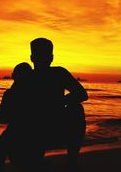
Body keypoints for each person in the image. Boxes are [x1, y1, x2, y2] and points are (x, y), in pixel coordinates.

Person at [28, 37, 88, 171]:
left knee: (76, 108)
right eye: (41, 55)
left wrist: (60, 102)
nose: (43, 59)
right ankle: (39, 159)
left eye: (44, 55)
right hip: (34, 129)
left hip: (53, 125)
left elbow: (82, 94)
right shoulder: (29, 77)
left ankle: (70, 162)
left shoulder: (58, 73)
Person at [0, 62, 32, 172]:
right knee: (6, 154)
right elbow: (0, 111)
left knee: (1, 152)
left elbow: (0, 111)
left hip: (20, 130)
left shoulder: (29, 92)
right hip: (15, 129)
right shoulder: (10, 93)